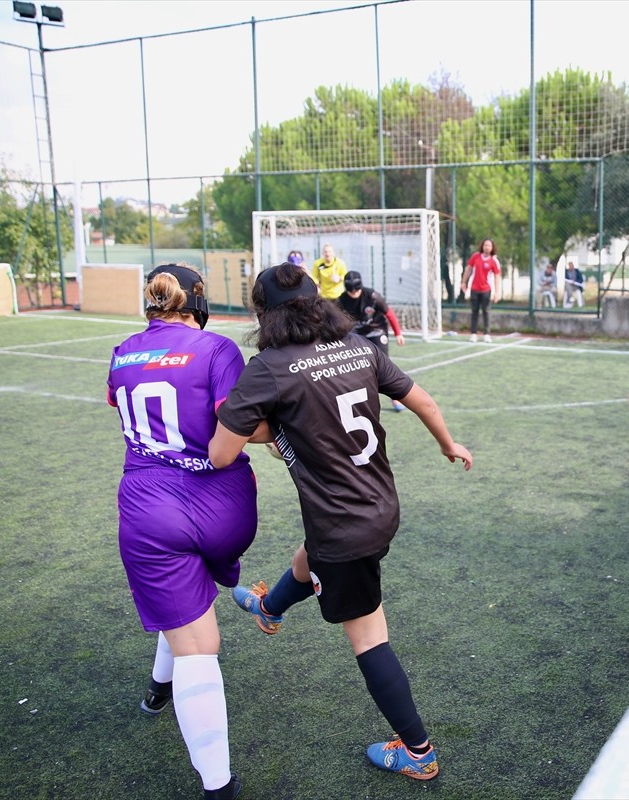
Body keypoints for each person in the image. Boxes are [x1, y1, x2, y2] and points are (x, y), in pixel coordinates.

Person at [208, 262, 473, 784]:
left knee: (369, 635)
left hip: (343, 525)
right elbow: (421, 399)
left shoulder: (269, 367)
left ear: (264, 314)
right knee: (310, 556)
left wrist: (245, 423)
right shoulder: (361, 348)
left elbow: (220, 454)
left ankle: (418, 750)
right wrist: (448, 443)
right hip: (380, 506)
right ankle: (270, 608)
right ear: (317, 303)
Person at [107, 264, 256, 800]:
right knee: (187, 610)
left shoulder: (123, 350)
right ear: (200, 301)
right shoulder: (217, 348)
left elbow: (125, 404)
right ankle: (156, 688)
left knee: (196, 644)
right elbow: (241, 425)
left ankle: (219, 787)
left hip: (151, 507)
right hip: (224, 507)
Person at [338, 270, 408, 411]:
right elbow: (335, 321)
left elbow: (389, 313)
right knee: (353, 366)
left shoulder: (373, 296)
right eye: (351, 292)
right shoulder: (341, 300)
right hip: (356, 333)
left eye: (356, 291)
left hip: (376, 330)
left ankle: (395, 399)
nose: (354, 294)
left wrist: (398, 333)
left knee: (384, 365)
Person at [462, 238, 501, 343]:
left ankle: (487, 334)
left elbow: (497, 277)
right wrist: (463, 282)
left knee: (486, 312)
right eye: (485, 245)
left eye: (489, 245)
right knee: (474, 312)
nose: (487, 247)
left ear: (492, 247)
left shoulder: (494, 261)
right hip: (474, 289)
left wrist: (497, 292)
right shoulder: (475, 257)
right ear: (482, 246)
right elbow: (468, 269)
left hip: (486, 290)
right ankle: (473, 334)